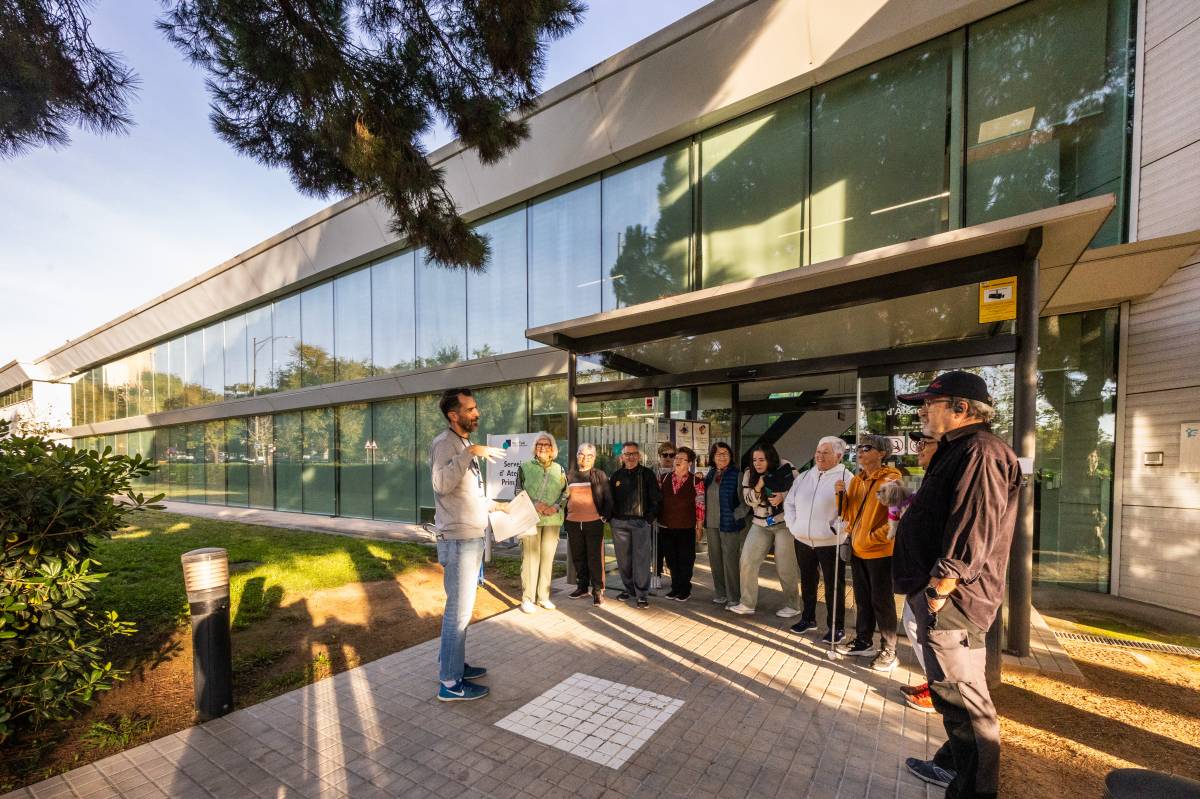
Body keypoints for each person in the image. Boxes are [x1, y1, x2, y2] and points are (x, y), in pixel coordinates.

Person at [892, 372, 1021, 799]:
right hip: (942, 597)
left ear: (962, 408)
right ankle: (950, 766)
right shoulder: (959, 450)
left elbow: (973, 529)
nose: (923, 411)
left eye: (931, 403)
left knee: (967, 709)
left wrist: (939, 590)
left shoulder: (981, 452)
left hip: (954, 602)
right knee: (954, 698)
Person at [430, 388, 506, 702]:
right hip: (458, 541)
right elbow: (441, 484)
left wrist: (495, 506)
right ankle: (450, 683)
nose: (476, 413)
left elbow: (466, 495)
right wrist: (470, 452)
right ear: (454, 414)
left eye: (475, 408)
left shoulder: (461, 443)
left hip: (470, 538)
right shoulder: (445, 443)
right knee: (457, 614)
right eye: (471, 409)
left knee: (461, 612)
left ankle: (454, 664)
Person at [835, 433, 903, 672]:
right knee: (863, 599)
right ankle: (863, 640)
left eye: (867, 447)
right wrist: (840, 494)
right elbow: (847, 515)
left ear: (882, 453)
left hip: (880, 552)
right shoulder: (857, 480)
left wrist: (873, 538)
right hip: (858, 549)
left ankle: (890, 650)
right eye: (859, 447)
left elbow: (896, 519)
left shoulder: (891, 479)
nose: (861, 451)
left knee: (882, 601)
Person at [783, 436, 853, 643]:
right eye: (818, 452)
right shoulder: (804, 476)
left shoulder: (846, 478)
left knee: (834, 586)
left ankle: (836, 627)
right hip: (802, 539)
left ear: (839, 456)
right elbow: (789, 503)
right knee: (807, 581)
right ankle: (808, 618)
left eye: (826, 453)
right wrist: (793, 526)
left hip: (831, 542)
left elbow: (851, 511)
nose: (820, 456)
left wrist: (837, 530)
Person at [727, 443, 801, 617]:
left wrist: (783, 496)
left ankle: (793, 605)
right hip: (760, 524)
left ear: (771, 458)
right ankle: (747, 603)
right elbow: (749, 501)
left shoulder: (786, 467)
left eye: (762, 459)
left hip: (784, 524)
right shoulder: (749, 474)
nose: (757, 464)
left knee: (785, 565)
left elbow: (800, 491)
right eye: (754, 460)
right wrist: (759, 486)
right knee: (747, 560)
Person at [897, 431, 939, 713]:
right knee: (914, 624)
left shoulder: (946, 479)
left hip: (936, 573)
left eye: (924, 443)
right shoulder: (929, 477)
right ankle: (935, 683)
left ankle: (941, 691)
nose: (918, 449)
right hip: (920, 570)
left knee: (928, 628)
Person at [516, 432, 567, 614]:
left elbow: (566, 492)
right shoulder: (524, 467)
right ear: (534, 448)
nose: (542, 447)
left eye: (546, 445)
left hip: (552, 519)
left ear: (552, 449)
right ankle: (527, 599)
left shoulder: (559, 469)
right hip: (531, 518)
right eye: (539, 444)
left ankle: (543, 597)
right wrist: (535, 504)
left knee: (547, 558)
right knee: (530, 559)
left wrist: (555, 506)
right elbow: (517, 490)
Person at [609, 441, 661, 608]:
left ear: (639, 456)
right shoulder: (616, 476)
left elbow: (656, 499)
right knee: (624, 561)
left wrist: (649, 518)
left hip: (640, 523)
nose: (630, 457)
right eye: (627, 454)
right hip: (619, 524)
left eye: (633, 454)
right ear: (622, 457)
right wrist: (611, 518)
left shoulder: (647, 474)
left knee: (641, 560)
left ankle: (642, 594)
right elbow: (610, 500)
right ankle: (629, 590)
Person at [564, 443, 612, 606]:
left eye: (589, 456)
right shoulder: (570, 476)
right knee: (578, 557)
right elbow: (563, 499)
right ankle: (582, 587)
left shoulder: (599, 475)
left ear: (594, 458)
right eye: (581, 454)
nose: (585, 458)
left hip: (593, 522)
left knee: (595, 558)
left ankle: (598, 590)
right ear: (577, 456)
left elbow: (608, 498)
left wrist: (604, 517)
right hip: (573, 522)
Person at [657, 446, 705, 601]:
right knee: (671, 560)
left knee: (686, 559)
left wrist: (699, 526)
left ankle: (685, 589)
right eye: (676, 458)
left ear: (689, 463)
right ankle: (675, 587)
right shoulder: (664, 478)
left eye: (681, 459)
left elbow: (700, 504)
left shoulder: (696, 481)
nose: (676, 461)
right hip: (666, 526)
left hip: (686, 526)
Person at [702, 442, 745, 607]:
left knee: (730, 561)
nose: (722, 456)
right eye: (718, 453)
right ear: (712, 457)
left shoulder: (737, 474)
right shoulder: (711, 474)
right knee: (715, 560)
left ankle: (734, 596)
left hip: (729, 525)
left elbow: (745, 502)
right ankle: (720, 593)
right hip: (711, 524)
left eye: (725, 453)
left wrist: (736, 516)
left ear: (731, 455)